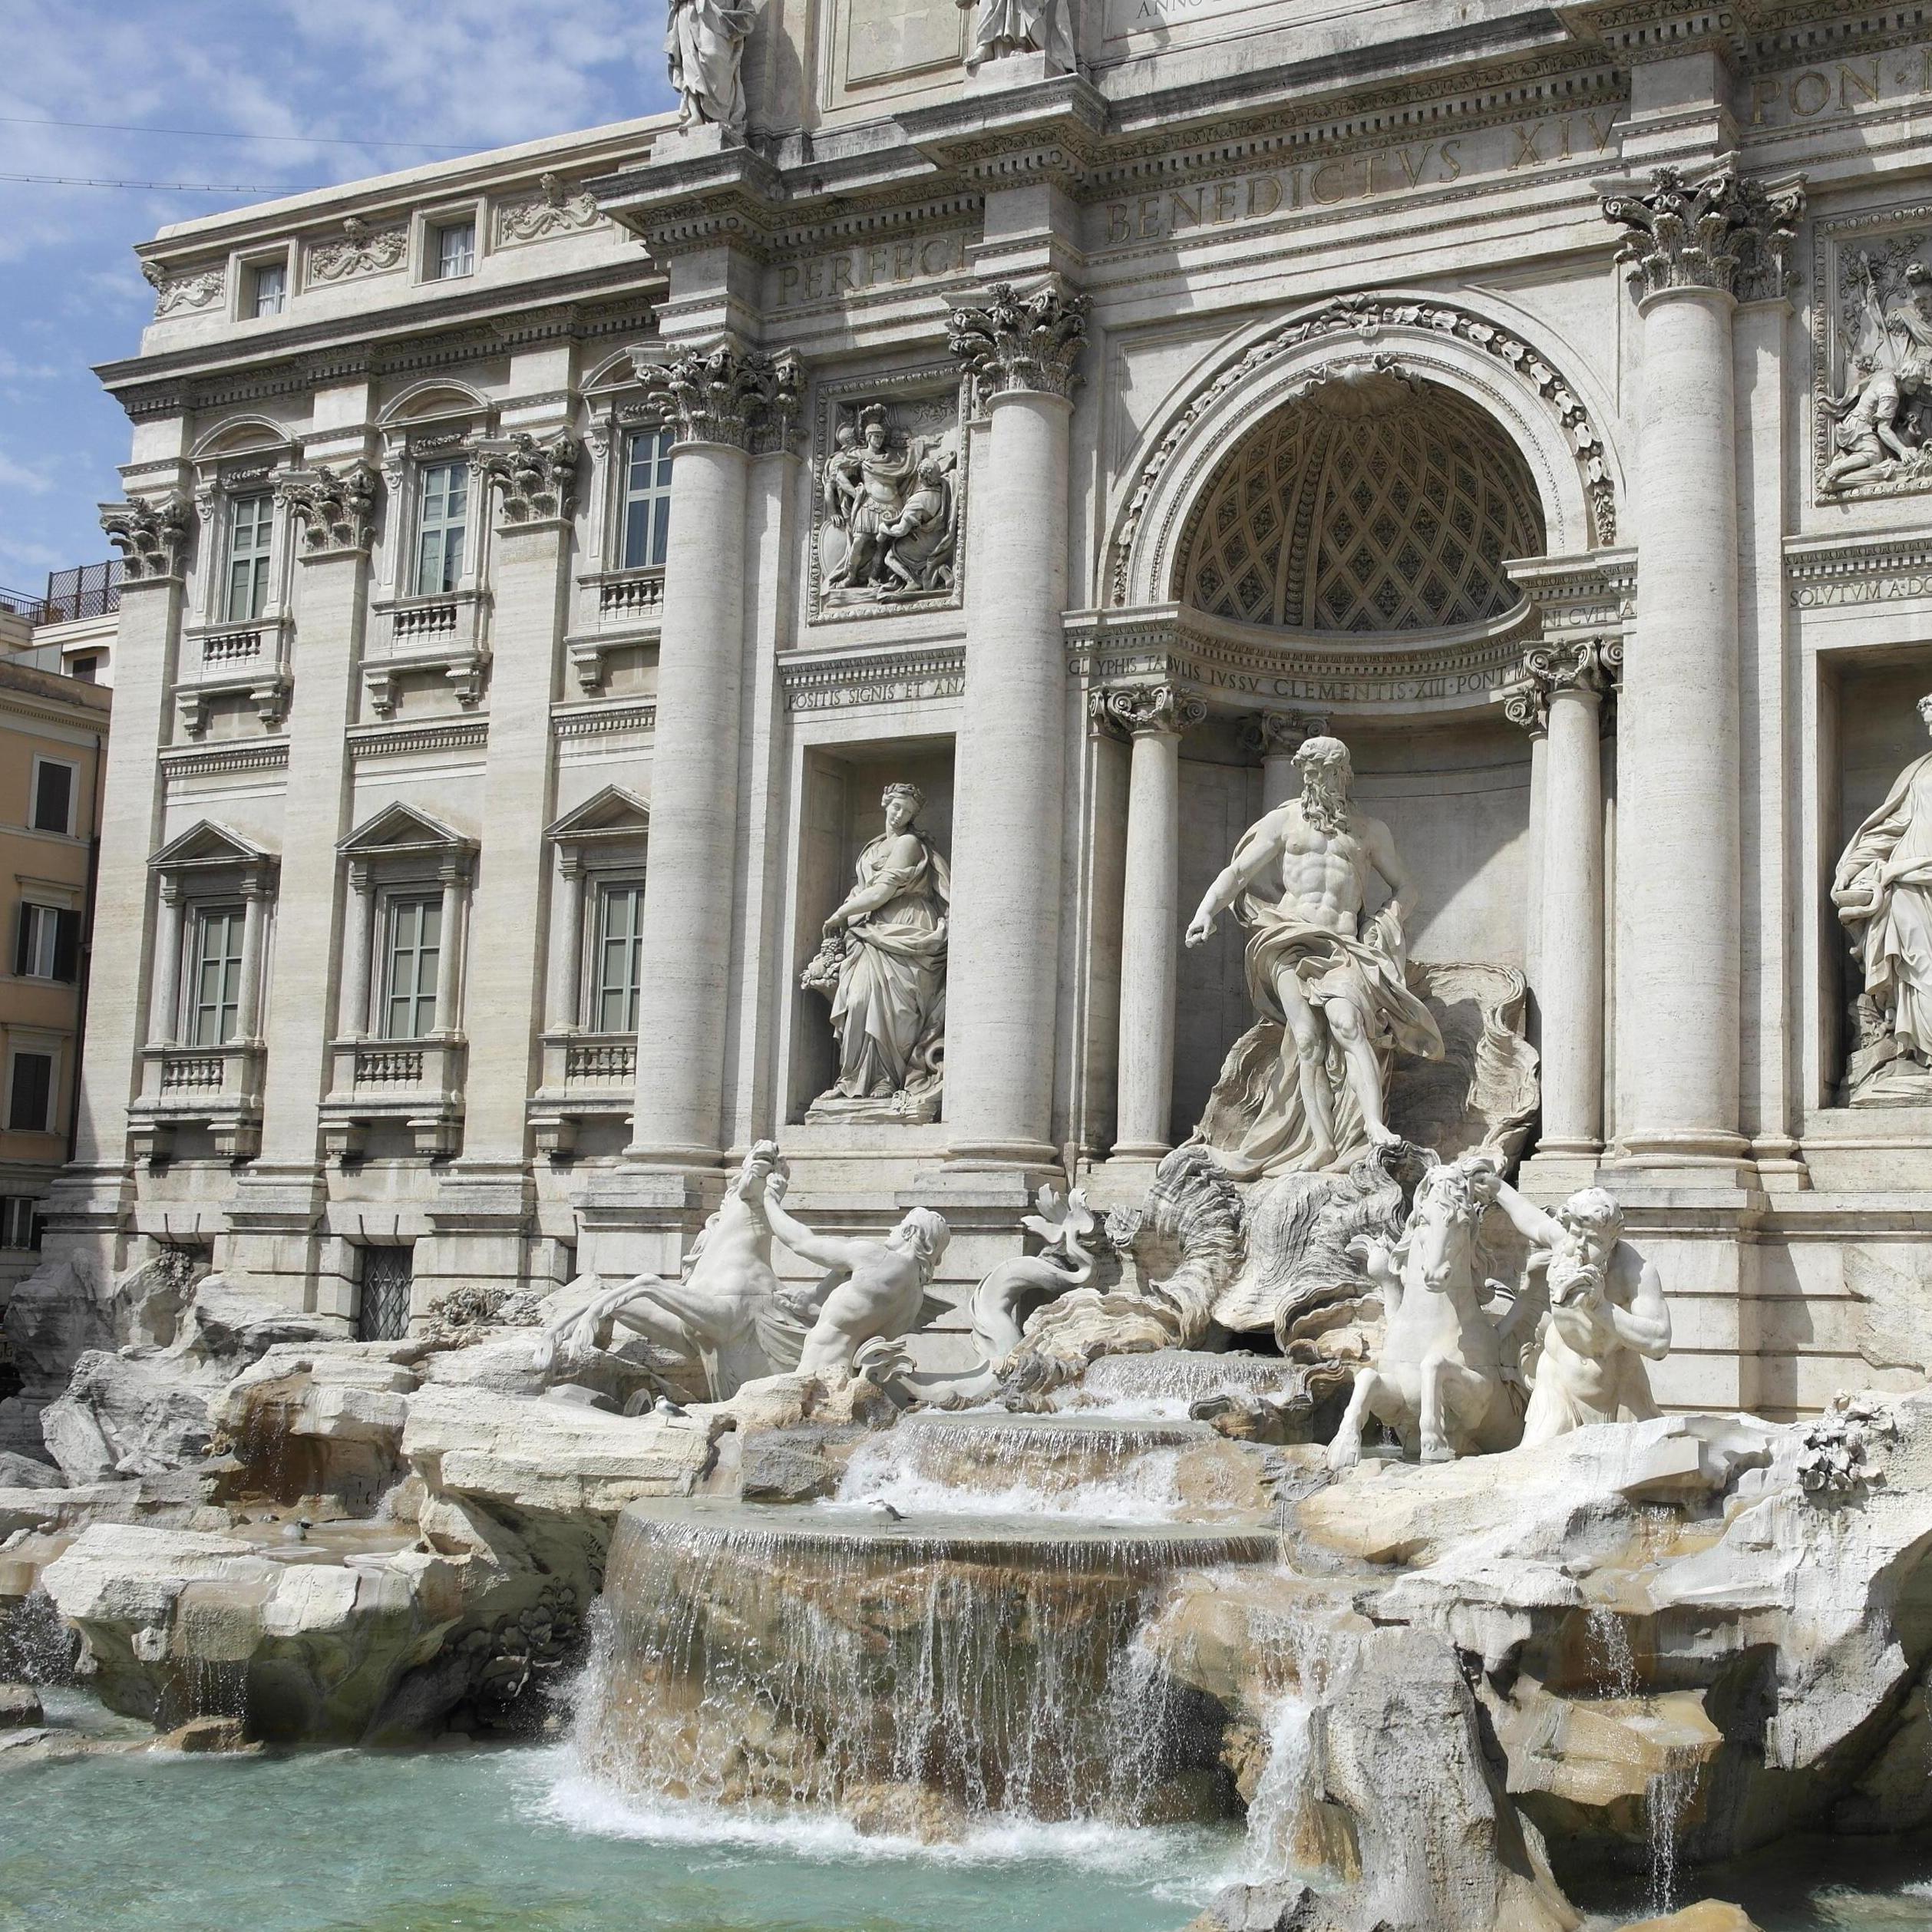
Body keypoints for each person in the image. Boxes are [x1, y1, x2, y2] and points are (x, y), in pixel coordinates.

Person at [1186, 735, 1442, 1175]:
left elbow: (1407, 888)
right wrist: (1206, 911)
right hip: (1287, 938)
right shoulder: (1285, 821)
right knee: (1306, 1040)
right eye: (1306, 773)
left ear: (1342, 774)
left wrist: (1382, 925)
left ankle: (1375, 1128)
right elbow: (1239, 871)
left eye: (1320, 772)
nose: (1312, 781)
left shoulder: (1368, 831)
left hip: (1342, 946)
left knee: (1348, 1025)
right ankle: (1321, 1144)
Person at [1475, 1171, 1670, 1442]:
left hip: (1621, 1392)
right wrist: (1498, 1188)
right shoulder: (1562, 1242)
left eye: (1592, 1241)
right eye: (1575, 1233)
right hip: (1557, 1384)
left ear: (1611, 1241)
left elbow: (1659, 1341)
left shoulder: (1635, 1272)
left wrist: (1601, 1307)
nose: (1578, 1247)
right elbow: (1529, 1217)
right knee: (1533, 1466)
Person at [804, 783, 949, 1115]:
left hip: (906, 926)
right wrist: (850, 909)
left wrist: (842, 913)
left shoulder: (909, 843)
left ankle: (887, 1079)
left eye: (907, 812)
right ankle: (853, 1079)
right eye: (896, 807)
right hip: (869, 929)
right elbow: (865, 889)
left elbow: (884, 889)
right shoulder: (872, 847)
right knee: (858, 1000)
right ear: (885, 803)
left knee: (898, 1011)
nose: (899, 815)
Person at [761, 1172, 950, 1378]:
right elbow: (856, 1324)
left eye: (900, 1225)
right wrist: (812, 1307)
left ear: (909, 1233)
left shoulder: (878, 1259)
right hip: (847, 1378)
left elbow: (801, 1243)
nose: (892, 1228)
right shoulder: (915, 1298)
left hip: (817, 1378)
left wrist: (771, 1200)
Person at [1832, 692, 1932, 1080]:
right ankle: (1918, 1051)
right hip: (1906, 880)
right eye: (1929, 724)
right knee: (1917, 964)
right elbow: (1889, 826)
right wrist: (1852, 866)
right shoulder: (1918, 772)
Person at [665, 0, 755, 134]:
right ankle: (696, 114)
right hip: (689, 7)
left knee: (714, 57)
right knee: (691, 62)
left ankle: (722, 116)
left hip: (719, 12)